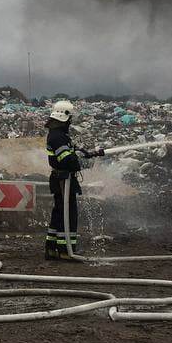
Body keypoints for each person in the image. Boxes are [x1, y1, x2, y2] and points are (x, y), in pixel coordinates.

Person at [44, 99, 102, 260]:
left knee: (59, 213)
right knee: (68, 214)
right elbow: (67, 160)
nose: (70, 122)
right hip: (64, 180)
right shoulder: (58, 137)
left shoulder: (59, 135)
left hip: (60, 179)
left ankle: (51, 248)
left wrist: (92, 153)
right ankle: (66, 250)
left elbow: (73, 149)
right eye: (70, 119)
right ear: (64, 117)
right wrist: (84, 163)